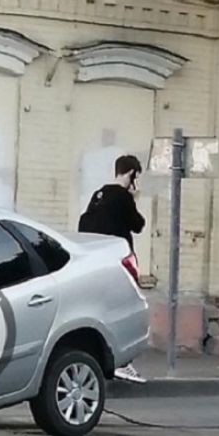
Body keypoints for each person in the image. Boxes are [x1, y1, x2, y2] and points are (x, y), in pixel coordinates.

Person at [79, 154, 147, 383]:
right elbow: (138, 225)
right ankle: (123, 362)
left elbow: (83, 225)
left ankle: (105, 360)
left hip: (97, 264)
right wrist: (134, 200)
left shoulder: (98, 195)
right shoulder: (123, 198)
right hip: (119, 263)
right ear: (131, 174)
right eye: (135, 177)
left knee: (101, 311)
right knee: (125, 310)